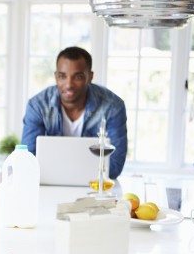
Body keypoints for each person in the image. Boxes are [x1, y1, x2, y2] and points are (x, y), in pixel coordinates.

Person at [21, 46, 128, 179]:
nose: (69, 84)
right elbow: (27, 160)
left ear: (90, 77)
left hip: (95, 187)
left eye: (77, 77)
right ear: (56, 77)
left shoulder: (112, 107)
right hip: (49, 185)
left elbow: (114, 166)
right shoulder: (38, 106)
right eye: (62, 76)